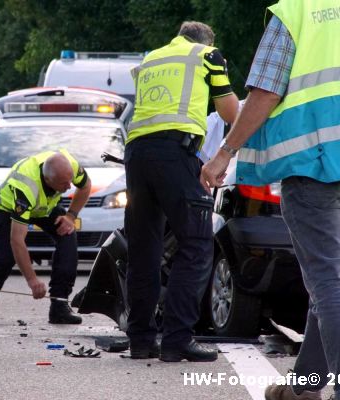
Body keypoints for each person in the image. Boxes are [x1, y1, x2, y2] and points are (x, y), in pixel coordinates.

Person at [201, 1, 340, 399]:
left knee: (329, 283)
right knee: (330, 280)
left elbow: (264, 92)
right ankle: (303, 388)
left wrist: (224, 152)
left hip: (311, 162)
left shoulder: (296, 12)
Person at [124, 21, 238, 361]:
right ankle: (177, 340)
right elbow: (229, 112)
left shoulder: (151, 59)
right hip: (175, 153)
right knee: (197, 243)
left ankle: (141, 340)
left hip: (136, 155)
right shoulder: (208, 56)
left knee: (144, 250)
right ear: (206, 41)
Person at [0, 149, 92, 324]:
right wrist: (32, 280)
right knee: (5, 259)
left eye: (70, 181)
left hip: (44, 207)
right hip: (9, 208)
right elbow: (17, 240)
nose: (69, 187)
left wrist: (70, 216)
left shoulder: (70, 165)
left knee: (68, 237)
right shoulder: (26, 187)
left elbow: (85, 186)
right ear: (48, 179)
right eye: (64, 183)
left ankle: (59, 306)